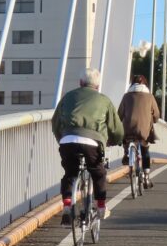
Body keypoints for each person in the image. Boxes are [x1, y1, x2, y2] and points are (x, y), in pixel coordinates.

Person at [52, 68, 123, 223]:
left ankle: (67, 205)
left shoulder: (67, 97)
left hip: (68, 140)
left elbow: (55, 122)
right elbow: (116, 128)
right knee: (98, 172)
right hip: (92, 142)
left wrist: (62, 139)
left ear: (80, 82)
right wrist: (116, 140)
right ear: (97, 85)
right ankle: (101, 207)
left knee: (70, 173)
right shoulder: (104, 100)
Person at [118, 74, 160, 189]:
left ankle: (127, 153)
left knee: (127, 138)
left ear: (132, 84)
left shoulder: (126, 96)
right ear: (145, 84)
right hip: (143, 130)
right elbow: (156, 115)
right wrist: (154, 119)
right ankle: (146, 176)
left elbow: (119, 114)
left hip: (128, 128)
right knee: (145, 149)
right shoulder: (150, 96)